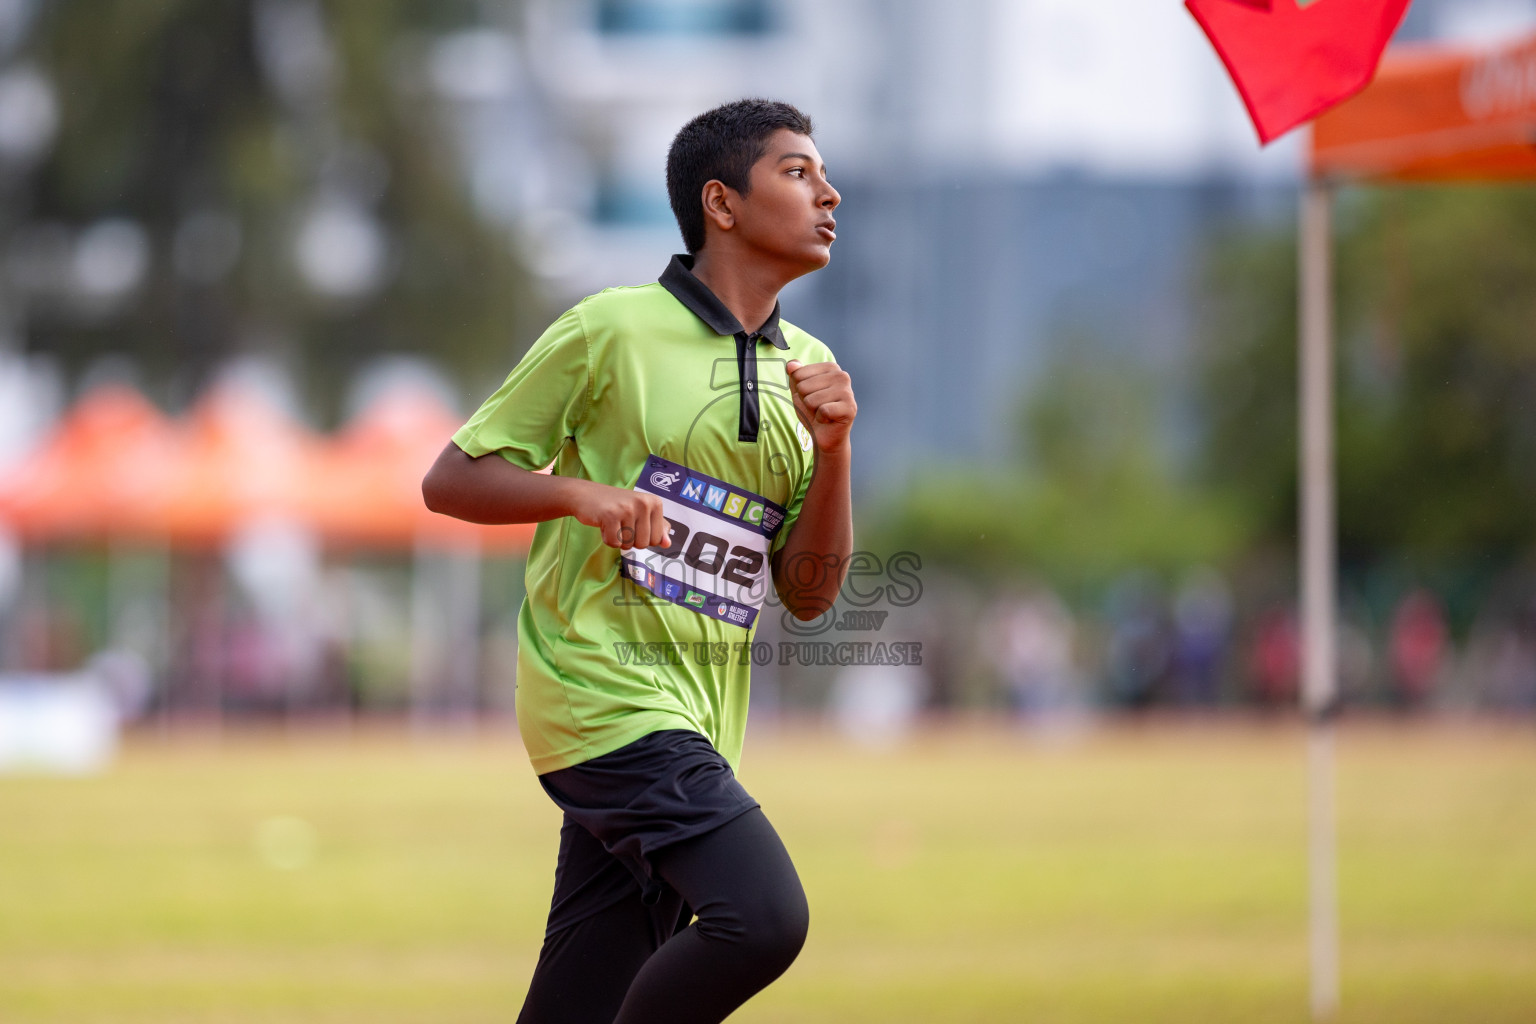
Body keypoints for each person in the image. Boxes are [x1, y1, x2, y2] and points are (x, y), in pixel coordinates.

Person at [421, 99, 854, 1024]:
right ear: (721, 203)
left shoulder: (813, 368)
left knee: (586, 994)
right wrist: (580, 495)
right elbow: (452, 479)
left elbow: (810, 599)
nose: (830, 193)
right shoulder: (609, 330)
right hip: (600, 693)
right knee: (764, 917)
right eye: (797, 172)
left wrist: (837, 449)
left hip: (699, 721)